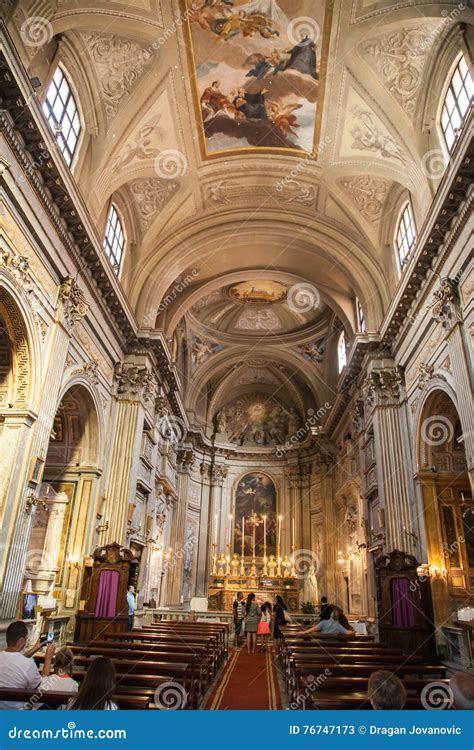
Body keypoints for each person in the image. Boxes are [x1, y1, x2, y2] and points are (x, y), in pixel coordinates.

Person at [0, 620, 50, 710]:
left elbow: (14, 659)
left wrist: (35, 648)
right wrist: (48, 659)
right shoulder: (28, 664)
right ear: (22, 640)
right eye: (27, 638)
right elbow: (43, 688)